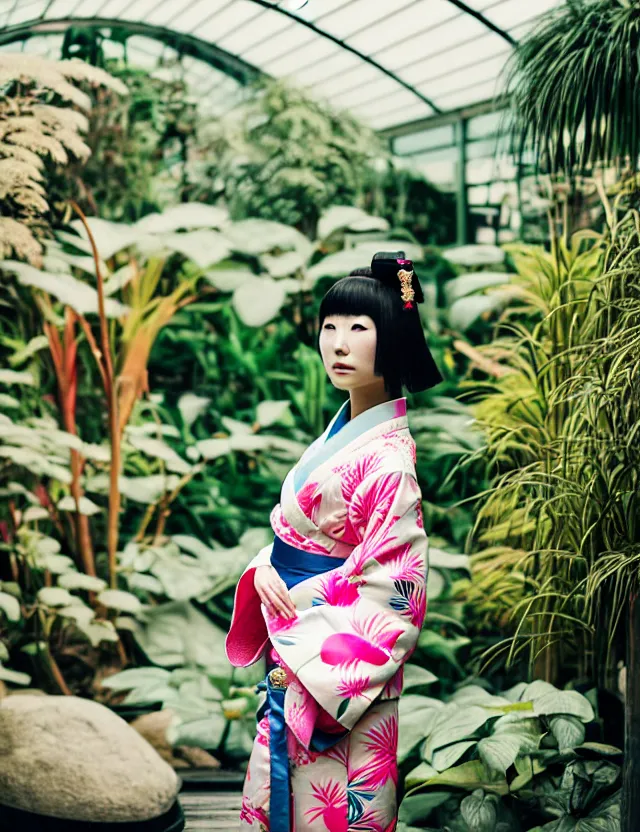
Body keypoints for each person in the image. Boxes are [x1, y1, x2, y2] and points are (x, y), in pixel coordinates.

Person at [226, 251, 442, 832]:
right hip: (301, 643)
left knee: (332, 811)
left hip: (334, 672)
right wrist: (264, 567)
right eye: (330, 327)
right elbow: (292, 530)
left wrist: (295, 603)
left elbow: (395, 590)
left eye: (358, 328)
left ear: (391, 338)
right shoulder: (345, 432)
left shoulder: (390, 462)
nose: (338, 344)